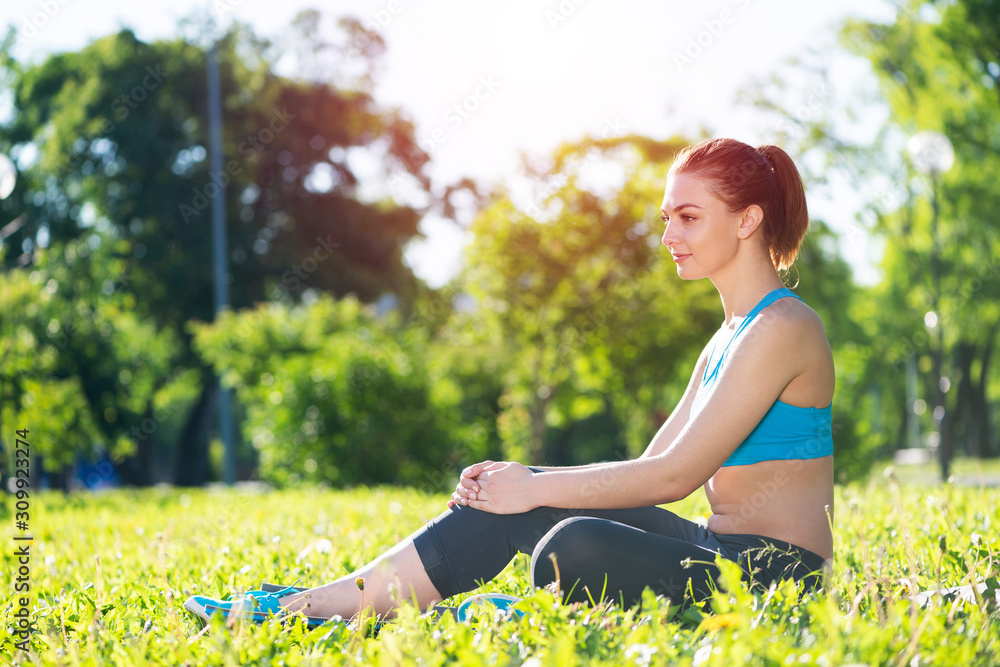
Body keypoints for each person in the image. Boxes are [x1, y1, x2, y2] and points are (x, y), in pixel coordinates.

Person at [184, 137, 834, 626]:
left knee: (570, 541)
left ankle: (471, 611)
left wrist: (530, 485)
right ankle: (334, 600)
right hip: (713, 546)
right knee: (524, 501)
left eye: (687, 217)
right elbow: (649, 464)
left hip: (773, 575)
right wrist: (522, 486)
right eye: (667, 217)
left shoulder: (782, 327)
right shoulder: (727, 335)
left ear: (746, 220)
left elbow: (674, 478)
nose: (668, 234)